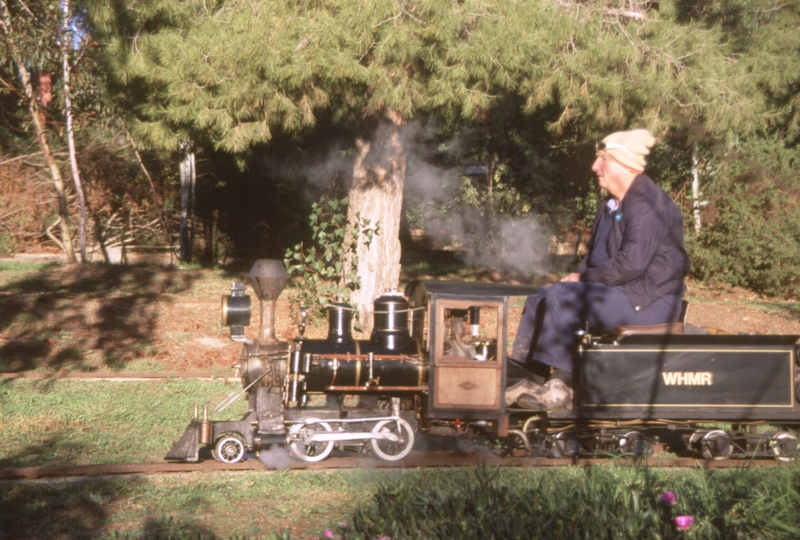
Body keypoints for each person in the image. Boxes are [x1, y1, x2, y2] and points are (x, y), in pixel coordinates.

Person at [507, 129, 690, 410]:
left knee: (564, 297)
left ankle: (564, 386)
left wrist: (581, 280)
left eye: (601, 159)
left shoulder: (648, 205)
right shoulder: (610, 206)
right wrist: (574, 277)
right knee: (540, 296)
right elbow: (593, 258)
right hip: (618, 293)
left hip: (650, 301)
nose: (594, 167)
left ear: (624, 165)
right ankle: (533, 379)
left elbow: (632, 263)